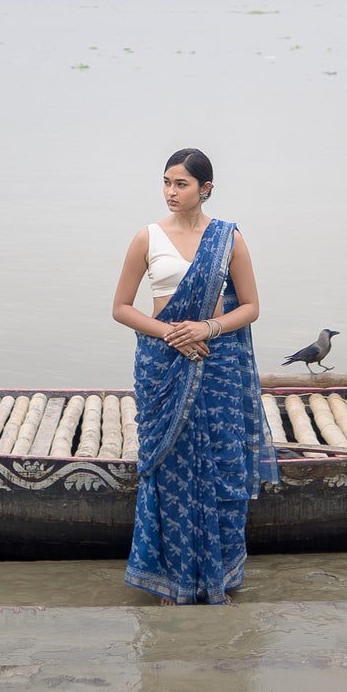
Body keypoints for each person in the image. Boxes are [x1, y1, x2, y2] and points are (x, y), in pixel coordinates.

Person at [111, 147, 279, 604]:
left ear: (205, 189)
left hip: (218, 364)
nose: (170, 192)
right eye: (166, 182)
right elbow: (121, 308)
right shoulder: (147, 238)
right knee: (169, 471)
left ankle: (218, 577)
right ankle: (173, 578)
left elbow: (250, 307)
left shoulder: (227, 239)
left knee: (221, 467)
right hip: (164, 366)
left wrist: (206, 327)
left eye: (181, 184)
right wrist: (173, 335)